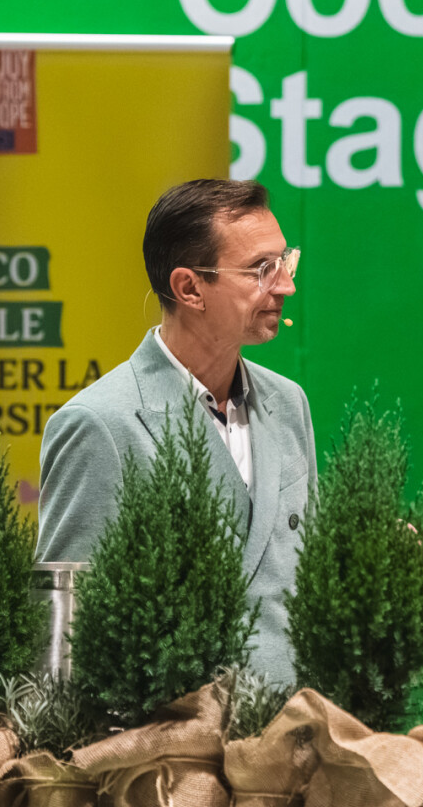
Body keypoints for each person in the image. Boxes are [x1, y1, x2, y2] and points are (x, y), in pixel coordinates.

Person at [35, 179, 314, 686]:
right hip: (169, 732)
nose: (285, 286)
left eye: (284, 262)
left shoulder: (289, 403)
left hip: (294, 726)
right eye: (261, 269)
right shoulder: (100, 424)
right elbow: (66, 644)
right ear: (189, 289)